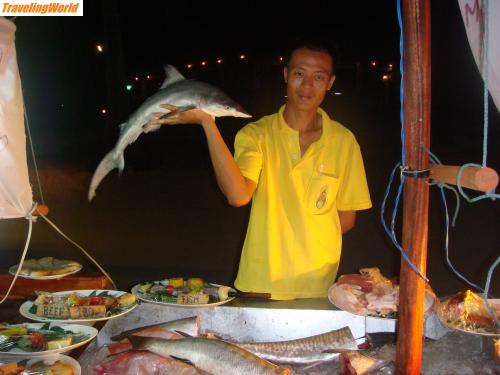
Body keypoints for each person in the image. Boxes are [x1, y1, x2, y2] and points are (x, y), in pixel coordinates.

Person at [152, 41, 372, 300]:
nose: (308, 85)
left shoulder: (344, 141)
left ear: (330, 82)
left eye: (319, 77)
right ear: (286, 75)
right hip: (260, 284)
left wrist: (306, 237)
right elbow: (238, 195)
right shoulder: (256, 134)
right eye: (299, 74)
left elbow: (347, 218)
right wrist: (207, 123)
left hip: (319, 286)